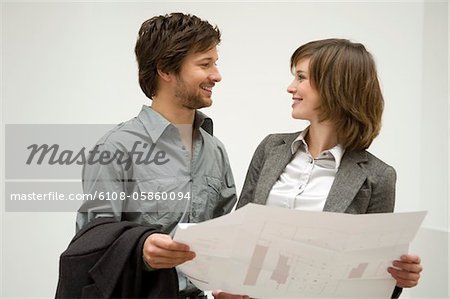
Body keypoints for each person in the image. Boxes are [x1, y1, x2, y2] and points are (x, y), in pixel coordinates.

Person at [213, 38, 422, 299]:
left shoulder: (377, 177)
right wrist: (228, 284)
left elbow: (372, 280)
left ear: (336, 86)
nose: (291, 87)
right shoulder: (271, 148)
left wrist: (397, 279)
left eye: (301, 77)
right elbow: (241, 235)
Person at [75, 12, 237, 299]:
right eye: (205, 64)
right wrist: (141, 251)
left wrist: (229, 284)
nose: (217, 75)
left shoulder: (215, 150)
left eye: (216, 63)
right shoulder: (116, 148)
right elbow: (90, 248)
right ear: (165, 69)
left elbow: (224, 238)